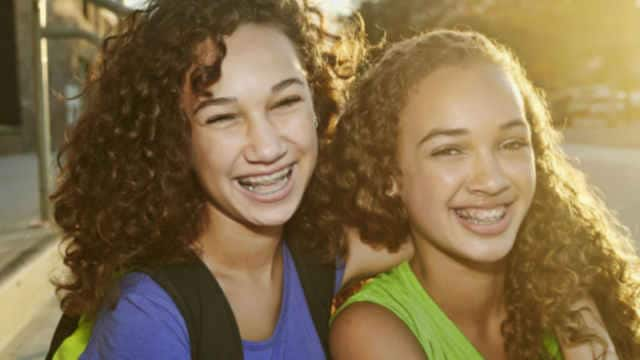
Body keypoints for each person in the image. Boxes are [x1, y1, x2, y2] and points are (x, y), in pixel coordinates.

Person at [48, 0, 409, 359]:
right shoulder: (148, 316)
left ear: (317, 105)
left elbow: (430, 224)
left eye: (285, 102)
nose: (267, 147)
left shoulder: (314, 255)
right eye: (222, 118)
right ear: (176, 141)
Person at [322, 30, 640, 359]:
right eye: (449, 150)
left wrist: (576, 310)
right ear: (389, 176)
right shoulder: (369, 331)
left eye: (511, 144)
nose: (491, 180)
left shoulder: (563, 291)